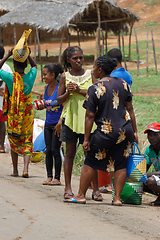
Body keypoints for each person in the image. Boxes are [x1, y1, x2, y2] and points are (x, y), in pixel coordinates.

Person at [64, 55, 138, 205]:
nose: (92, 70)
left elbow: (90, 116)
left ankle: (80, 195)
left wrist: (86, 139)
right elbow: (130, 109)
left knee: (90, 161)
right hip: (125, 130)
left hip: (106, 130)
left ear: (99, 69)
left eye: (94, 67)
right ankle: (117, 198)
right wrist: (135, 132)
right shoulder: (124, 84)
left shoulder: (94, 88)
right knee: (120, 164)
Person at [57, 46, 102, 200]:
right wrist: (68, 92)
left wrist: (79, 91)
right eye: (75, 58)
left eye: (81, 57)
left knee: (90, 155)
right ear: (68, 60)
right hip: (70, 119)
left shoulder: (90, 74)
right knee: (69, 154)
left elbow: (97, 94)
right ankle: (68, 187)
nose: (79, 61)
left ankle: (95, 189)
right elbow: (59, 100)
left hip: (88, 120)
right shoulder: (64, 77)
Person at [0, 47, 37, 178]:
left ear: (13, 65)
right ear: (26, 65)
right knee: (27, 139)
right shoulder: (31, 76)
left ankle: (15, 170)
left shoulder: (9, 77)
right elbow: (35, 65)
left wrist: (8, 54)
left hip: (14, 112)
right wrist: (28, 54)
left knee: (14, 139)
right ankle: (25, 169)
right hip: (27, 112)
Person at [36, 63, 64, 185]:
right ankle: (49, 177)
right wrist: (41, 106)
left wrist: (60, 122)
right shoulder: (47, 88)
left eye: (45, 75)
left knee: (56, 150)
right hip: (48, 124)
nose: (43, 77)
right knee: (48, 150)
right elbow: (47, 104)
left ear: (53, 75)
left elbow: (64, 107)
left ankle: (57, 178)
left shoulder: (60, 89)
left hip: (57, 124)